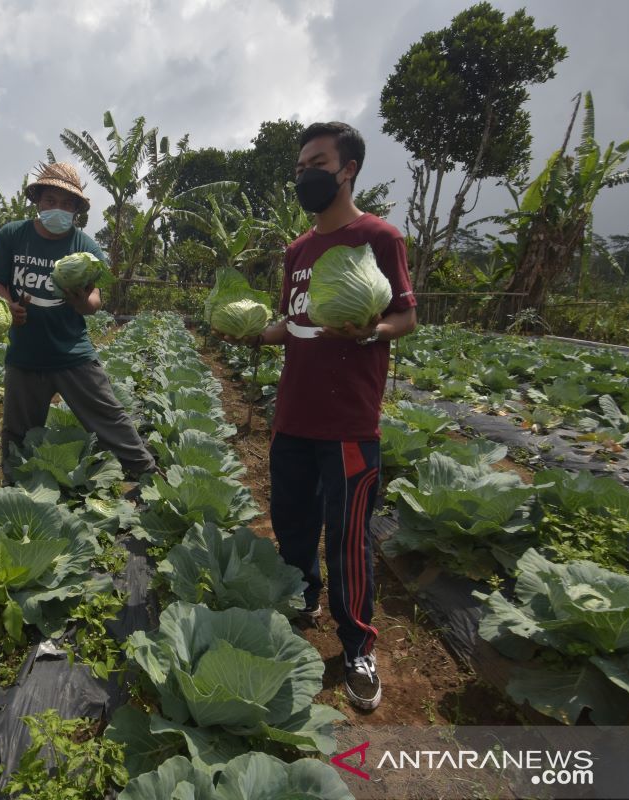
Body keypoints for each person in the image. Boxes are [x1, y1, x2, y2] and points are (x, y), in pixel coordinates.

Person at [227, 121, 416, 711]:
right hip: (293, 417)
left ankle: (358, 642)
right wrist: (256, 334)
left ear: (348, 169)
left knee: (350, 541)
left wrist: (373, 329)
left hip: (350, 424)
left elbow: (406, 317)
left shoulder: (378, 237)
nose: (306, 174)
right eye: (301, 165)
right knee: (293, 524)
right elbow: (294, 323)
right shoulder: (297, 251)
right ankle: (303, 596)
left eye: (317, 162)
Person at [0, 162, 157, 483]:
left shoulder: (86, 248)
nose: (57, 209)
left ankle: (145, 472)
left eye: (66, 204)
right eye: (50, 200)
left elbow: (95, 301)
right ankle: (14, 485)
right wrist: (6, 306)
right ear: (37, 201)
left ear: (77, 209)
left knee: (108, 417)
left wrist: (81, 302)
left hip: (72, 352)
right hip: (25, 355)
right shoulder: (12, 235)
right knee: (16, 431)